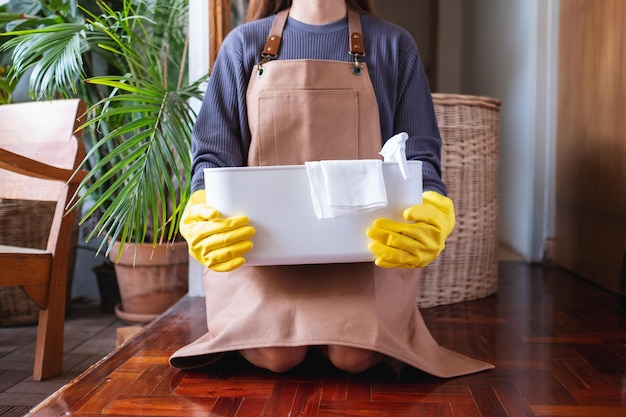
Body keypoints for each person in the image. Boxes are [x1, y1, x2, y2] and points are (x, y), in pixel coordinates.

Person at [169, 0, 493, 377]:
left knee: (350, 355)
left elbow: (420, 155)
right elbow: (213, 157)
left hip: (364, 252)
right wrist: (201, 207)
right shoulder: (243, 44)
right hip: (260, 252)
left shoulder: (393, 45)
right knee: (278, 354)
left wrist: (432, 206)